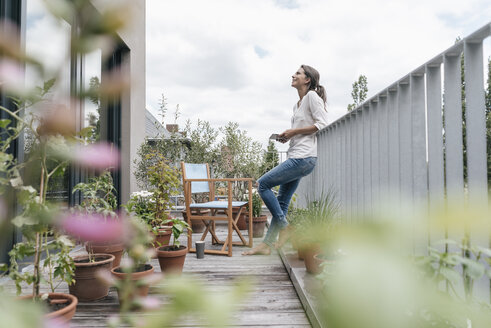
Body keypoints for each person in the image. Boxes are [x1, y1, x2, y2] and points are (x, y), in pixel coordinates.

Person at [243, 65, 328, 256]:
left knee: (262, 184)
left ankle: (285, 227)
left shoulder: (312, 97)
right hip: (296, 154)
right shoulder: (297, 104)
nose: (293, 75)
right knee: (281, 202)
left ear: (307, 80)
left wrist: (294, 131)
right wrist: (287, 136)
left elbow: (322, 124)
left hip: (303, 158)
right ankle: (266, 245)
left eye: (298, 73)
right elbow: (303, 129)